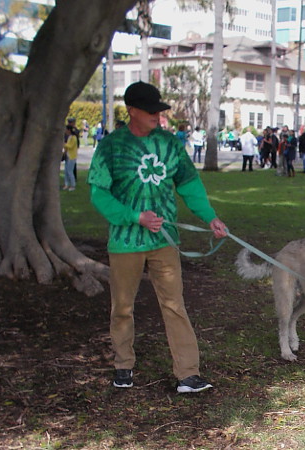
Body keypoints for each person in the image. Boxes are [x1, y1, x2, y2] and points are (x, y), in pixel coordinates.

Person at [87, 81, 227, 393]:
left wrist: (210, 217)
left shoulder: (170, 143)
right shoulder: (111, 146)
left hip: (164, 241)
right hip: (126, 242)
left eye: (158, 110)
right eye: (149, 110)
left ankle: (188, 374)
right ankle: (123, 365)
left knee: (175, 305)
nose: (156, 115)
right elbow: (99, 194)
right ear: (131, 111)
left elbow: (189, 184)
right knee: (122, 307)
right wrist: (135, 216)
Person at [63, 125, 79, 191]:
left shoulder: (73, 137)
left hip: (72, 157)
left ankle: (73, 185)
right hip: (67, 156)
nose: (65, 131)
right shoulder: (69, 137)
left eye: (66, 129)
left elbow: (70, 146)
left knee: (70, 171)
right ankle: (66, 184)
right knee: (66, 171)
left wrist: (64, 144)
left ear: (69, 130)